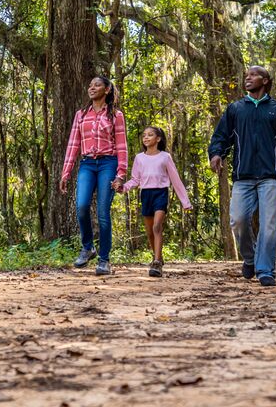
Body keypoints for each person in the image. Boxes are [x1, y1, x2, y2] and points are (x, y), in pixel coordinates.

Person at [209, 66, 276, 287]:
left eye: (253, 75)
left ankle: (265, 270)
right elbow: (222, 136)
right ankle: (251, 259)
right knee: (238, 220)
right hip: (243, 176)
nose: (248, 78)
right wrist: (216, 154)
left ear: (265, 80)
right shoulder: (235, 109)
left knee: (269, 224)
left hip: (270, 176)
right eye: (246, 76)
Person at [59, 76, 128, 276]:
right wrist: (66, 172)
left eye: (97, 85)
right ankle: (88, 247)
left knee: (103, 212)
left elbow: (122, 146)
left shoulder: (116, 115)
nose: (92, 88)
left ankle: (104, 260)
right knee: (81, 206)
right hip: (87, 163)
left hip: (108, 163)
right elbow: (73, 144)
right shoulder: (81, 115)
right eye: (90, 85)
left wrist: (121, 173)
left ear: (106, 90)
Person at [114, 126, 192, 277]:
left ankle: (156, 263)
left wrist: (185, 202)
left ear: (158, 139)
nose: (146, 137)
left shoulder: (165, 157)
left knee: (157, 226)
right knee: (150, 231)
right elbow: (136, 179)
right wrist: (123, 188)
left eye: (150, 135)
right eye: (144, 135)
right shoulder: (139, 158)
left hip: (161, 193)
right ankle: (158, 257)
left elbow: (175, 180)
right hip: (146, 194)